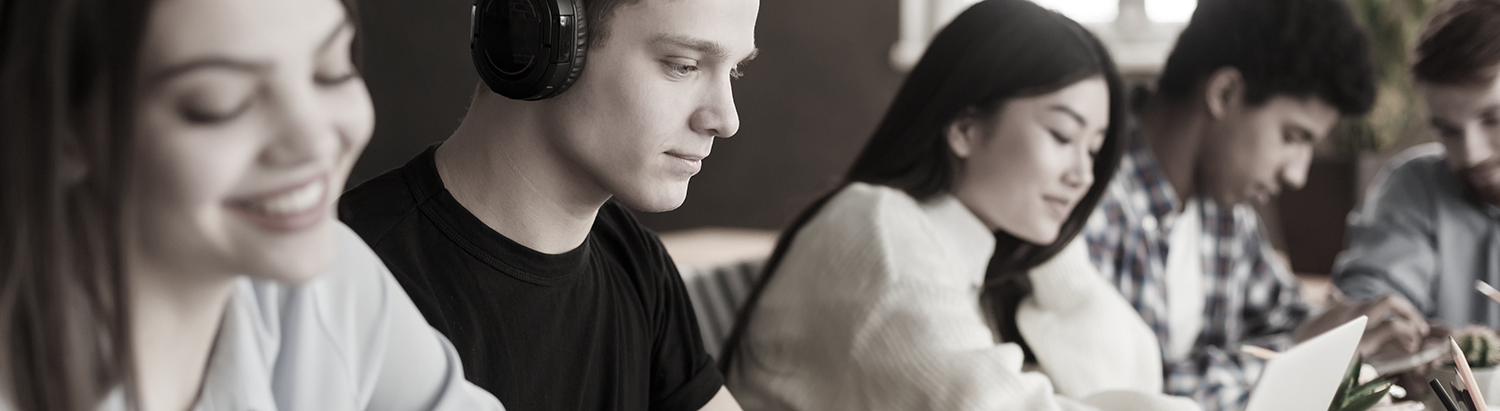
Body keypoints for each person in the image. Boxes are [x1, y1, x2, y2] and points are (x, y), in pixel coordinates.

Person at [0, 0, 505, 410]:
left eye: (331, 71)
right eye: (220, 104)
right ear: (60, 134)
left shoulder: (322, 287)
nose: (312, 141)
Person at [714, 1, 1198, 410]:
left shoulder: (970, 254)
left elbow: (1132, 378)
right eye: (1062, 135)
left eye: (1093, 149)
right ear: (964, 128)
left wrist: (1053, 255)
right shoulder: (882, 230)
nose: (1084, 174)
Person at [336, 0, 756, 408]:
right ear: (537, 37)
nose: (727, 119)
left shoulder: (636, 263)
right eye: (684, 65)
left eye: (734, 70)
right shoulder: (342, 283)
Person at [1079, 0, 1427, 409]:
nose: (1297, 175)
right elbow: (1118, 394)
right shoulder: (1086, 197)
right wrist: (1298, 352)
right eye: (1294, 137)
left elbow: (1287, 318)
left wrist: (1355, 330)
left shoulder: (1226, 212)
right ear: (1225, 93)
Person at [1334, 0, 1500, 330]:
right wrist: (1395, 334)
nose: (1471, 154)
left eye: (1493, 119)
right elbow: (1365, 306)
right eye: (1447, 130)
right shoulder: (1414, 187)